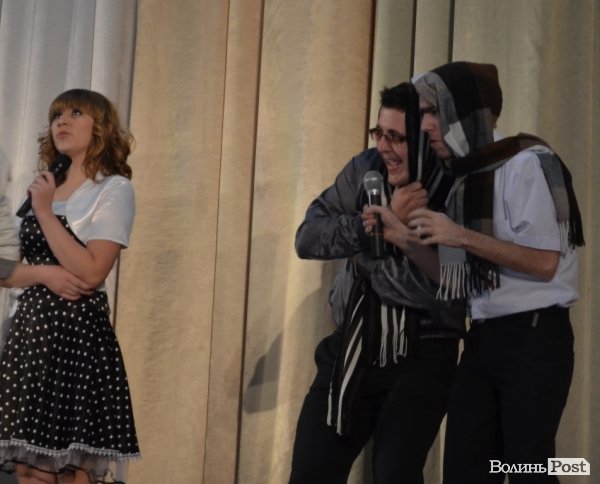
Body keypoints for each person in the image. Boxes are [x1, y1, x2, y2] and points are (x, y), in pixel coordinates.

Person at [384, 61, 581, 483]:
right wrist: (403, 238)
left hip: (533, 338)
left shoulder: (528, 161)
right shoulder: (463, 181)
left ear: (465, 112)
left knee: (528, 469)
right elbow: (454, 280)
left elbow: (545, 263)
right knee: (464, 471)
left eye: (434, 112)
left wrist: (461, 236)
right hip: (483, 340)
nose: (425, 126)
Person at [289, 82, 465, 484]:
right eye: (379, 133)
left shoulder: (451, 186)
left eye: (397, 138)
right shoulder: (364, 168)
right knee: (311, 472)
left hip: (423, 351)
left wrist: (367, 254)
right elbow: (307, 238)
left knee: (394, 474)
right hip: (353, 344)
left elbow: (446, 292)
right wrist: (372, 224)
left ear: (423, 140)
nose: (384, 147)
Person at [0, 89, 140, 484]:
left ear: (100, 127)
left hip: (75, 340)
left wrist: (45, 213)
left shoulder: (113, 189)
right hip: (29, 338)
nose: (61, 120)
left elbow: (92, 272)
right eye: (56, 114)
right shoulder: (43, 188)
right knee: (28, 469)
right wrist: (44, 275)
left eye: (75, 113)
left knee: (67, 471)